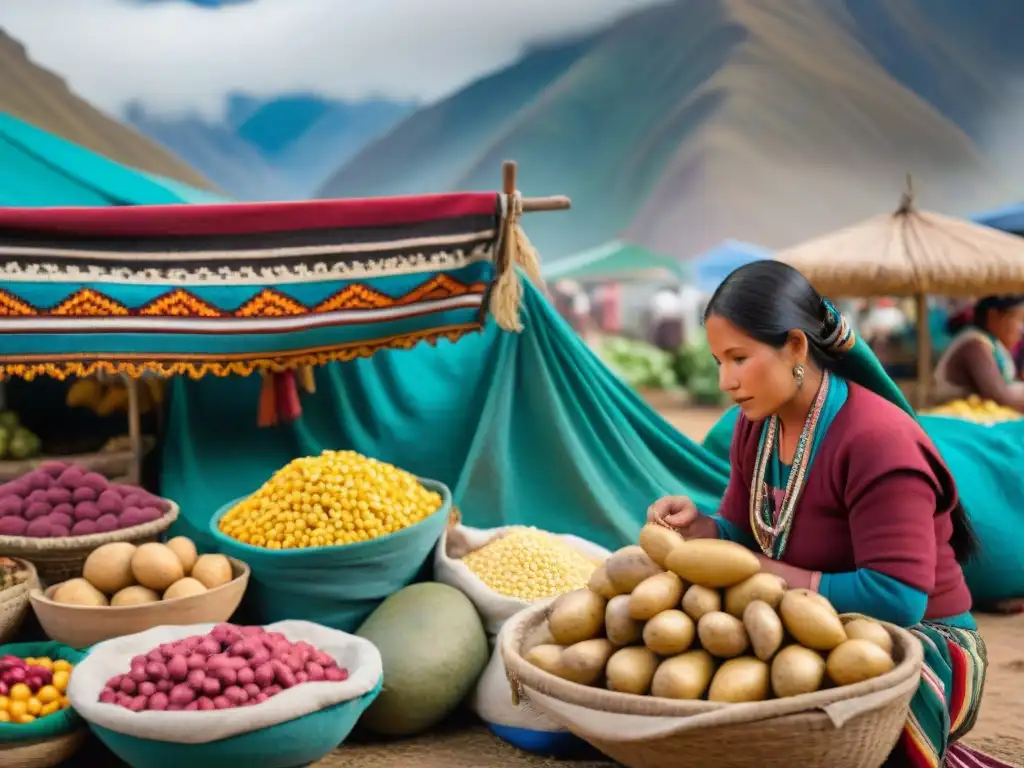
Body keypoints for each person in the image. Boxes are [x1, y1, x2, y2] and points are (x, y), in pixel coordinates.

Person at [647, 261, 1002, 768]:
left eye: (739, 358)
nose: (726, 380)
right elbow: (738, 532)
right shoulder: (756, 425)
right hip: (810, 621)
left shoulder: (878, 442)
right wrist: (699, 528)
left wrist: (758, 573)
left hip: (919, 650)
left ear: (795, 347)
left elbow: (896, 598)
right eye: (718, 362)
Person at [933, 295, 1024, 410]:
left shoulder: (993, 344)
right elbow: (998, 397)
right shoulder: (974, 345)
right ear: (993, 315)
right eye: (1020, 319)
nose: (1021, 329)